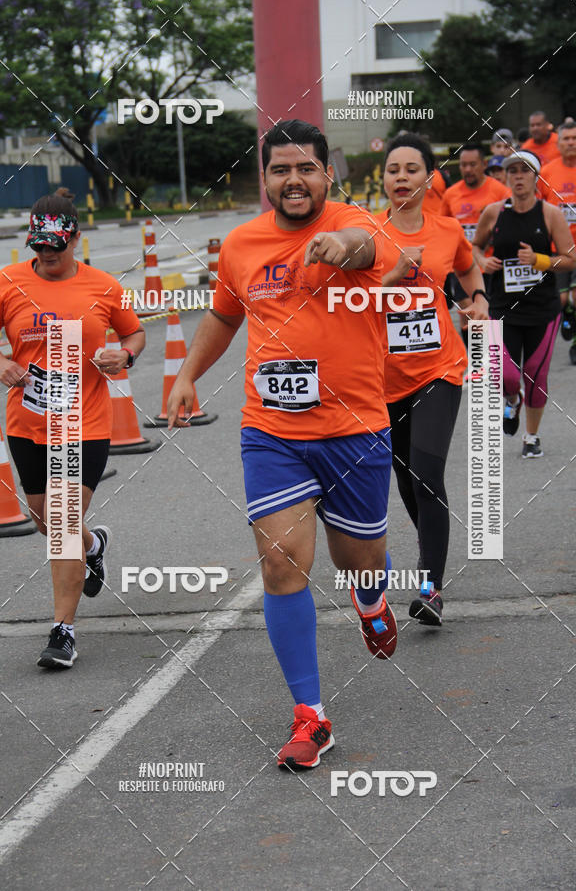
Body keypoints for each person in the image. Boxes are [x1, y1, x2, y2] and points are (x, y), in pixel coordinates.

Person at [167, 120, 395, 771]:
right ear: (263, 178)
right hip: (272, 433)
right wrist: (186, 376)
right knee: (279, 562)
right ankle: (311, 717)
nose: (293, 180)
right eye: (279, 170)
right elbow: (224, 314)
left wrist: (334, 248)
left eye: (306, 169)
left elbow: (360, 247)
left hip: (354, 431)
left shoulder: (363, 223)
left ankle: (371, 600)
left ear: (329, 174)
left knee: (358, 562)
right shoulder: (242, 243)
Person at [0, 189, 145, 667]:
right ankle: (95, 545)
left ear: (75, 239)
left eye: (56, 246)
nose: (47, 255)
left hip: (85, 421)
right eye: (39, 246)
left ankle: (62, 631)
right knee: (44, 517)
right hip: (27, 422)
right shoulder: (8, 282)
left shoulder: (104, 286)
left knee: (62, 523)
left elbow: (134, 332)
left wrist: (125, 354)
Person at [374, 133, 489, 628]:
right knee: (405, 479)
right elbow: (346, 301)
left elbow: (466, 266)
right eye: (393, 169)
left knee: (426, 472)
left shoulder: (445, 230)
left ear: (428, 178)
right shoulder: (366, 235)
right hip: (383, 379)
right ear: (383, 180)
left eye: (411, 169)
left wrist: (479, 297)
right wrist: (390, 277)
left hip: (440, 368)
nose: (401, 176)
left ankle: (430, 588)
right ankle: (432, 554)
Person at [472, 151, 575, 457]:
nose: (518, 176)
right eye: (512, 170)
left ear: (536, 177)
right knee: (506, 375)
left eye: (525, 170)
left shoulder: (550, 213)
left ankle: (531, 436)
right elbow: (475, 246)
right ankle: (512, 400)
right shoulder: (493, 213)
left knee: (534, 373)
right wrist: (482, 260)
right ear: (505, 177)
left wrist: (540, 260)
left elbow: (570, 258)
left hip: (542, 309)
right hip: (500, 307)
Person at [440, 142, 509, 346]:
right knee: (469, 312)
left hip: (492, 265)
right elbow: (442, 229)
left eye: (472, 164)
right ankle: (480, 363)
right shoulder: (451, 194)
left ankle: (489, 364)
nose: (467, 170)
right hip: (462, 266)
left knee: (487, 315)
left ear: (483, 164)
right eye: (463, 165)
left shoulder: (500, 192)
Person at [539, 118, 576, 363]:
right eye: (566, 139)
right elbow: (539, 206)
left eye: (575, 139)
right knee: (563, 299)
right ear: (558, 143)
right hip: (559, 248)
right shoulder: (547, 172)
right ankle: (569, 315)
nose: (571, 143)